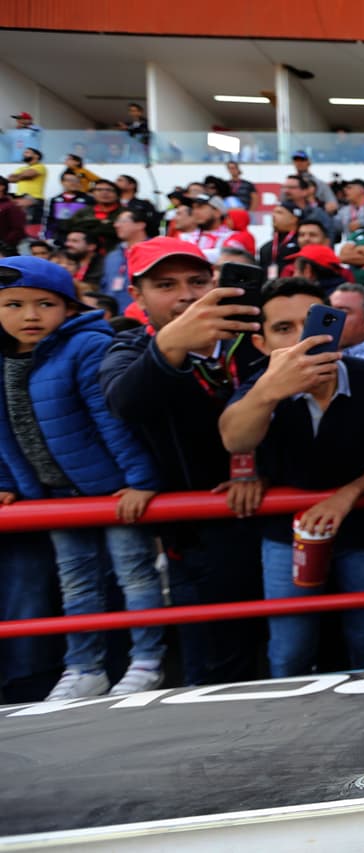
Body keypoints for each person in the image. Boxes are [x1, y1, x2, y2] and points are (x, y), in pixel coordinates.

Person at [220, 278, 364, 677]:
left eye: (310, 323)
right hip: (284, 535)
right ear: (261, 343)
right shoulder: (258, 389)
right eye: (282, 329)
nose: (300, 338)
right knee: (290, 649)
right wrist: (269, 392)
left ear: (334, 328)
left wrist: (348, 494)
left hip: (361, 532)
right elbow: (236, 438)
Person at [99, 237, 266, 686]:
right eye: (165, 285)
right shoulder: (129, 349)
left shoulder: (254, 339)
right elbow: (126, 402)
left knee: (297, 655)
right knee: (213, 672)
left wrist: (252, 467)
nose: (187, 295)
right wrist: (171, 344)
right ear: (136, 296)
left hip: (279, 526)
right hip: (197, 539)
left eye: (196, 281)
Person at [0, 256, 166, 700]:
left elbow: (111, 419)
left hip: (113, 489)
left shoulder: (87, 345)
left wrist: (140, 480)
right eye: (12, 304)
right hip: (52, 494)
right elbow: (1, 431)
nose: (29, 315)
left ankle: (147, 660)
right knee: (75, 580)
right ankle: (84, 668)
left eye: (44, 304)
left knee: (135, 573)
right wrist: (8, 484)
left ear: (69, 308)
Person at [259, 203, 302, 277]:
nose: (273, 215)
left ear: (294, 219)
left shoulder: (302, 242)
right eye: (273, 212)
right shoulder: (266, 247)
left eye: (279, 213)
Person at [7, 147, 46, 226]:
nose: (24, 154)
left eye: (27, 152)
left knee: (30, 224)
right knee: (18, 223)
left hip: (34, 198)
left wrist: (18, 176)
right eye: (24, 152)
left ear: (36, 156)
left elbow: (29, 174)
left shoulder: (40, 167)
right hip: (19, 199)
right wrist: (22, 175)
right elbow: (11, 179)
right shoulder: (22, 168)